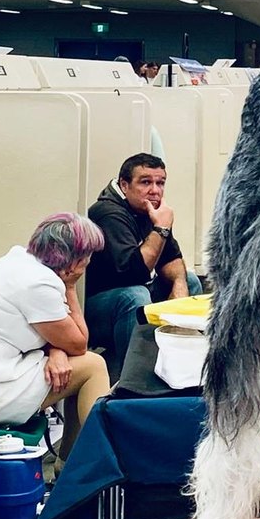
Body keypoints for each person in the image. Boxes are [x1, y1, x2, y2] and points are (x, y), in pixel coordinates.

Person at [0, 213, 110, 462]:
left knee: (75, 370)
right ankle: (99, 462)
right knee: (93, 366)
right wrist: (70, 287)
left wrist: (57, 351)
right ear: (74, 262)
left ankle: (70, 464)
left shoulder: (17, 262)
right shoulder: (41, 284)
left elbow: (47, 333)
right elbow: (79, 343)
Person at [84, 152, 203, 378]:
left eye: (160, 183)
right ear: (124, 185)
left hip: (134, 295)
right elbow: (133, 272)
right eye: (146, 182)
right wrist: (161, 229)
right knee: (135, 296)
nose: (155, 190)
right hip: (97, 309)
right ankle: (135, 379)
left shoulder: (148, 210)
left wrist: (179, 287)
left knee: (190, 281)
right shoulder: (108, 213)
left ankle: (181, 368)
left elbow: (172, 258)